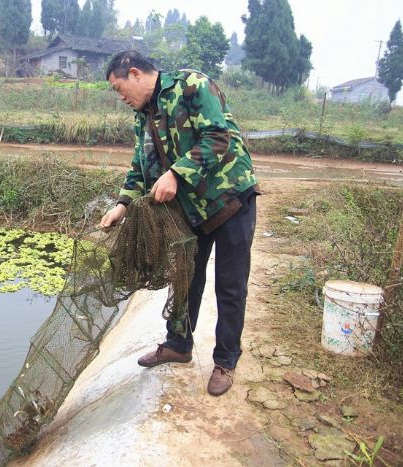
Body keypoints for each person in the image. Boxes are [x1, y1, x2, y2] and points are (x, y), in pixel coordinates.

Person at [100, 50, 260, 396]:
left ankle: (225, 361)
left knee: (230, 285)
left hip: (231, 199)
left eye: (118, 88)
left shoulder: (191, 86)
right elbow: (139, 167)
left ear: (135, 74)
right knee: (187, 278)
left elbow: (219, 137)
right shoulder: (142, 116)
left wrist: (175, 174)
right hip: (193, 212)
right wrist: (122, 205)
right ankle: (178, 345)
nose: (120, 97)